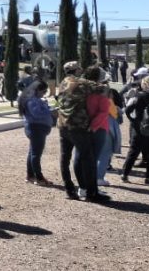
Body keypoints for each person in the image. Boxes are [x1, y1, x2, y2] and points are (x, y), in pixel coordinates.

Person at [57, 61, 106, 202]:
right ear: (76, 70)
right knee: (88, 159)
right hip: (78, 126)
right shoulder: (80, 83)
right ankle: (91, 193)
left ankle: (69, 190)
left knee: (64, 158)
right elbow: (101, 88)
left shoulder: (63, 82)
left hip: (62, 124)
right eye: (79, 68)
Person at [122, 75, 149, 184]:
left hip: (140, 127)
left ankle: (125, 174)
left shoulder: (139, 96)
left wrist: (134, 120)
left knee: (133, 152)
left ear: (144, 84)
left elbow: (127, 110)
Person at [19, 80, 54, 186]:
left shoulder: (32, 99)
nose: (44, 93)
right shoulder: (32, 100)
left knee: (32, 152)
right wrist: (50, 111)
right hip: (36, 128)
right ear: (37, 90)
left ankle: (30, 175)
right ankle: (39, 178)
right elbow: (37, 113)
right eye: (44, 91)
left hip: (36, 128)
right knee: (36, 154)